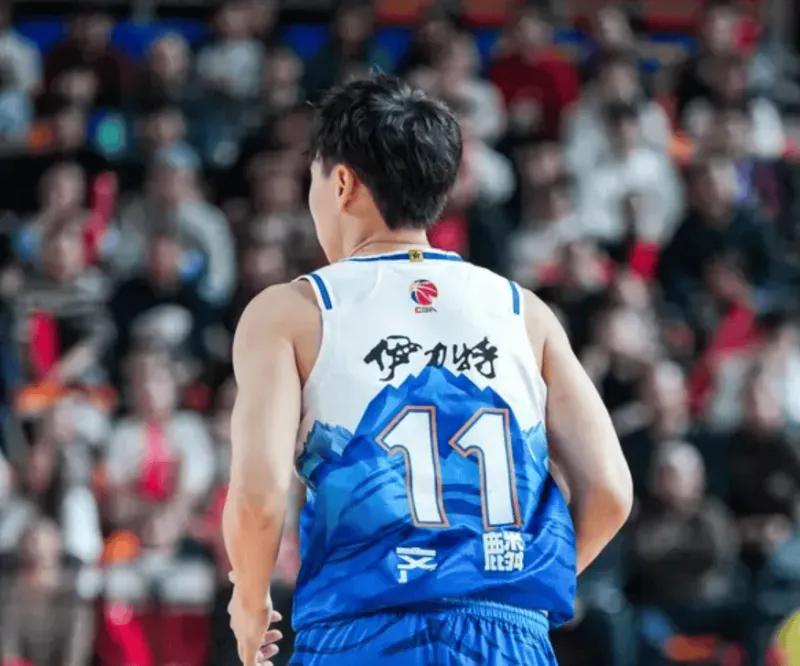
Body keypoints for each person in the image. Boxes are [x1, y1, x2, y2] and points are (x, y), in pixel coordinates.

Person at [223, 74, 632, 666]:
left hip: (364, 632)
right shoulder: (523, 311)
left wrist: (250, 601)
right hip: (507, 636)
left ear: (342, 184)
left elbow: (260, 493)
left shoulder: (292, 311)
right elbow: (611, 492)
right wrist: (513, 591)